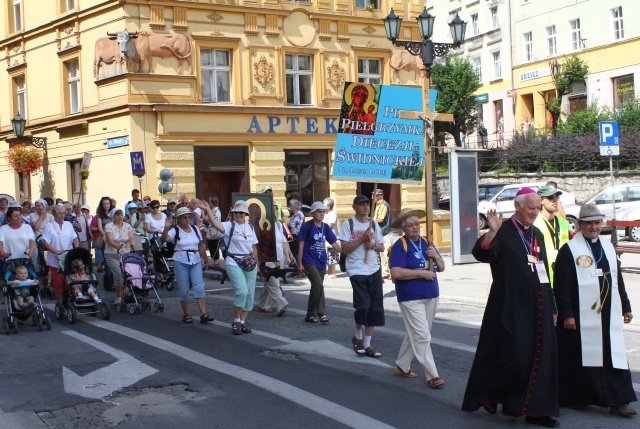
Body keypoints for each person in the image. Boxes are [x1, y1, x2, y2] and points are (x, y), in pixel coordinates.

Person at [462, 188, 559, 428]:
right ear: (517, 206)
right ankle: (495, 397)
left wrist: (553, 305)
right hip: (510, 306)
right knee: (514, 357)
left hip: (539, 305)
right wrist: (491, 232)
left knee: (541, 359)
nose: (535, 212)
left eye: (537, 208)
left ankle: (537, 411)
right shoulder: (503, 232)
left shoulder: (535, 233)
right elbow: (481, 254)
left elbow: (543, 269)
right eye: (531, 208)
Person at [553, 203, 637, 417]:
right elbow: (561, 286)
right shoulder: (569, 250)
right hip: (581, 316)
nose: (593, 227)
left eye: (597, 223)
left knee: (613, 357)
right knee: (579, 359)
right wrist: (567, 313)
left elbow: (618, 280)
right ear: (580, 224)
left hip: (607, 314)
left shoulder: (608, 248)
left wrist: (625, 306)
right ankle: (577, 397)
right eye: (589, 223)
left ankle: (619, 401)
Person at [389, 208, 446, 387]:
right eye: (410, 225)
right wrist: (421, 274)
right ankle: (432, 375)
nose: (415, 228)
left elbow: (442, 267)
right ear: (404, 229)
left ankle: (402, 364)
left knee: (418, 333)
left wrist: (436, 256)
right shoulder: (400, 245)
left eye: (417, 224)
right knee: (422, 335)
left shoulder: (427, 242)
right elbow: (396, 272)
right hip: (410, 296)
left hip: (431, 294)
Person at [339, 195, 385, 356]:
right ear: (354, 207)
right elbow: (344, 249)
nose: (366, 207)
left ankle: (367, 344)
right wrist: (361, 240)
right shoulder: (348, 224)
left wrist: (372, 245)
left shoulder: (373, 224)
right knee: (363, 306)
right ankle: (357, 336)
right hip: (356, 269)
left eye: (367, 204)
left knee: (374, 308)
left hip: (373, 269)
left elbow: (381, 247)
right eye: (362, 205)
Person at [209, 200, 259, 335]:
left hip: (249, 262)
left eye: (241, 212)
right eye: (236, 212)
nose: (238, 215)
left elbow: (254, 247)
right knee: (242, 291)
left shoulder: (250, 227)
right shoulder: (229, 225)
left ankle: (242, 322)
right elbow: (215, 224)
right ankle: (236, 320)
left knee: (250, 295)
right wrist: (208, 210)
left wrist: (257, 263)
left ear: (246, 214)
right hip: (234, 261)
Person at [162, 205, 213, 324]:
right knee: (184, 289)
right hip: (181, 260)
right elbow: (165, 239)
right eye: (184, 217)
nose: (187, 219)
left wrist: (206, 261)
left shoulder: (195, 229)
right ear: (179, 219)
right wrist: (166, 228)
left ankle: (203, 313)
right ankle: (186, 313)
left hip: (195, 259)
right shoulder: (175, 230)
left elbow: (201, 245)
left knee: (199, 286)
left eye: (188, 217)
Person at [298, 201, 342, 324]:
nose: (322, 214)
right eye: (319, 212)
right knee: (318, 284)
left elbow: (334, 243)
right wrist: (300, 263)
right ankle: (316, 313)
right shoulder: (306, 226)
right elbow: (301, 245)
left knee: (317, 287)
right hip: (309, 260)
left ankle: (315, 313)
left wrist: (346, 251)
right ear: (313, 213)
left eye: (323, 212)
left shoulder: (325, 227)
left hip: (322, 260)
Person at [258, 202, 293, 316]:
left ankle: (264, 304)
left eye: (276, 209)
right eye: (272, 209)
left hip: (279, 257)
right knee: (273, 281)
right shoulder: (261, 224)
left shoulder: (278, 224)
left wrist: (288, 256)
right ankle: (281, 304)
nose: (274, 211)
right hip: (267, 258)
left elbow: (283, 242)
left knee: (272, 281)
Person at [533, 186, 570, 287]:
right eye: (550, 197)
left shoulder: (564, 223)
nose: (555, 200)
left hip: (564, 276)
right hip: (543, 278)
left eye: (557, 197)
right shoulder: (534, 223)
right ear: (541, 200)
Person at [42, 204, 79, 305]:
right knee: (58, 282)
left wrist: (76, 248)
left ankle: (71, 298)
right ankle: (60, 303)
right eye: (59, 213)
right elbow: (45, 242)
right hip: (55, 259)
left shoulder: (68, 224)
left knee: (71, 280)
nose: (62, 215)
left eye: (63, 213)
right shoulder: (49, 226)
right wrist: (55, 251)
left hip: (68, 257)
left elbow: (74, 238)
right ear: (54, 214)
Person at [104, 207, 135, 306]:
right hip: (112, 254)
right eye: (117, 215)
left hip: (125, 254)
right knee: (118, 273)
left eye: (121, 214)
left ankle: (128, 292)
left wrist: (133, 243)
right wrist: (117, 246)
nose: (120, 217)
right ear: (113, 216)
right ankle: (119, 296)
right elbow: (109, 240)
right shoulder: (109, 226)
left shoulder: (127, 226)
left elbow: (131, 237)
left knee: (128, 273)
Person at [372, 189, 392, 280]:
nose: (371, 197)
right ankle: (385, 272)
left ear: (377, 196)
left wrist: (370, 221)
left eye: (373, 195)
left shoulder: (383, 204)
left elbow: (380, 219)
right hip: (381, 233)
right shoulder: (378, 205)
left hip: (385, 232)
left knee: (387, 253)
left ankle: (391, 272)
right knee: (382, 254)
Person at [30, 199, 54, 273]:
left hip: (47, 239)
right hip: (37, 239)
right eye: (36, 206)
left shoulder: (50, 216)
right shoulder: (33, 215)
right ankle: (37, 271)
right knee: (36, 256)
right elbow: (36, 227)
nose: (37, 208)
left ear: (44, 206)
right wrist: (42, 217)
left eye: (39, 206)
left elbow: (52, 229)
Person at [323, 198, 339, 279]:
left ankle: (332, 273)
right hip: (326, 238)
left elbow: (330, 225)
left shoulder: (332, 214)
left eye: (324, 204)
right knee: (328, 255)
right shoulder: (326, 214)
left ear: (328, 206)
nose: (322, 206)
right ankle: (329, 272)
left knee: (332, 255)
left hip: (332, 238)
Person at [287, 199, 305, 274]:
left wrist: (287, 229)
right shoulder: (295, 214)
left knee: (295, 252)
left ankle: (297, 270)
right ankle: (294, 270)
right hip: (294, 236)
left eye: (291, 205)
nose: (290, 207)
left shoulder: (298, 214)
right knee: (293, 252)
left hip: (296, 236)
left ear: (295, 206)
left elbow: (292, 226)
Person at [205, 197, 222, 267]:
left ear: (211, 203)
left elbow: (205, 219)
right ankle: (216, 261)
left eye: (209, 202)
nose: (209, 203)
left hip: (212, 230)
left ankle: (216, 262)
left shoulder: (213, 210)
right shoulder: (218, 209)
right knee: (215, 245)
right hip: (216, 230)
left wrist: (203, 211)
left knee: (213, 246)